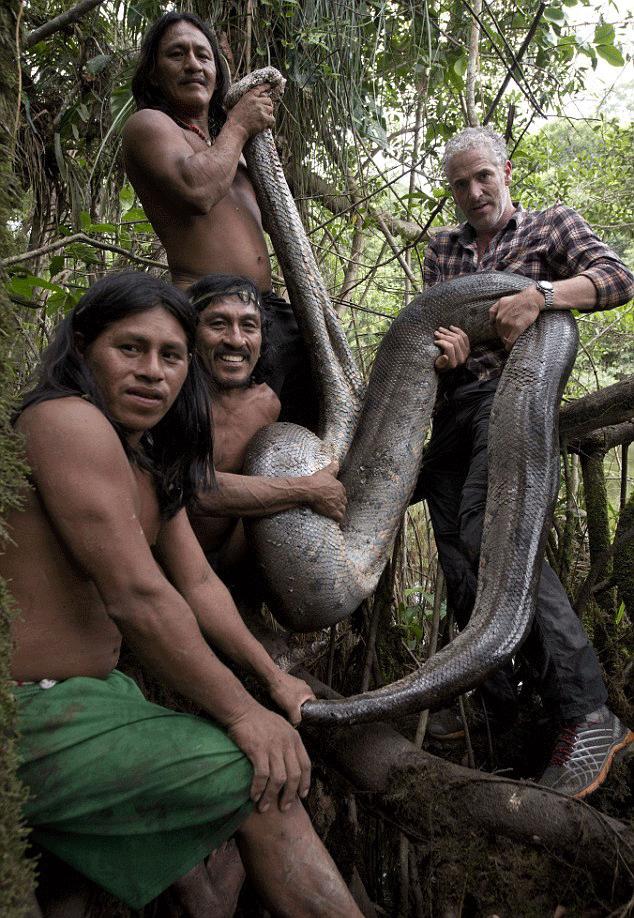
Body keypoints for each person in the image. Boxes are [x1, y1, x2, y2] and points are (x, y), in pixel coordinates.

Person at [5, 272, 362, 917]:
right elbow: (137, 596)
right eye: (130, 349)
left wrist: (272, 681)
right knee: (260, 782)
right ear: (84, 345)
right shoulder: (65, 420)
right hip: (25, 713)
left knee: (75, 886)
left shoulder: (144, 457)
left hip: (95, 698)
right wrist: (242, 715)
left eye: (170, 356)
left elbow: (197, 584)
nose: (153, 372)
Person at [416, 126, 634, 797]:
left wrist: (541, 295)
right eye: (461, 183)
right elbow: (426, 329)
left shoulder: (548, 227)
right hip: (453, 410)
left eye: (485, 176)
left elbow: (618, 278)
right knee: (454, 550)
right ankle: (502, 702)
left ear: (506, 171)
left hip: (513, 400)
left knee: (495, 537)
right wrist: (444, 349)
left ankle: (587, 710)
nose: (475, 192)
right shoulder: (443, 250)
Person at [122, 11, 316, 428]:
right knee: (231, 439)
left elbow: (274, 222)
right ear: (155, 74)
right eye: (177, 54)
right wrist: (240, 123)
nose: (193, 64)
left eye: (203, 56)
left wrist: (253, 146)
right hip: (209, 310)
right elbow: (197, 190)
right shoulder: (149, 125)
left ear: (217, 72)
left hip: (266, 312)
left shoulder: (227, 147)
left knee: (305, 428)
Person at [186, 273, 345, 580]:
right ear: (192, 332)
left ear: (262, 336)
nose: (235, 339)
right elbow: (193, 488)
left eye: (248, 326)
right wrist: (307, 490)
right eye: (218, 324)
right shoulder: (175, 395)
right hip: (166, 560)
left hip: (234, 564)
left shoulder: (268, 402)